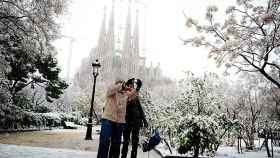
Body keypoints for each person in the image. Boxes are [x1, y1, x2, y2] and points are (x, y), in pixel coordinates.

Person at [97, 79, 137, 158]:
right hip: (108, 120)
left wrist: (134, 88)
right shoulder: (111, 91)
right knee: (104, 143)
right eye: (120, 84)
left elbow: (134, 95)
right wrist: (121, 85)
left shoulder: (125, 94)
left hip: (120, 122)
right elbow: (111, 89)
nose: (122, 85)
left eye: (122, 84)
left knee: (116, 146)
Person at [121, 78, 148, 158]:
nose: (131, 87)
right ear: (127, 86)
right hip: (127, 121)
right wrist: (137, 89)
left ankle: (133, 156)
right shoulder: (125, 94)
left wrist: (144, 120)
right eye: (130, 85)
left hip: (136, 121)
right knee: (126, 141)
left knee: (135, 141)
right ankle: (123, 156)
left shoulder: (135, 96)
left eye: (132, 85)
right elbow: (128, 100)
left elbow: (140, 108)